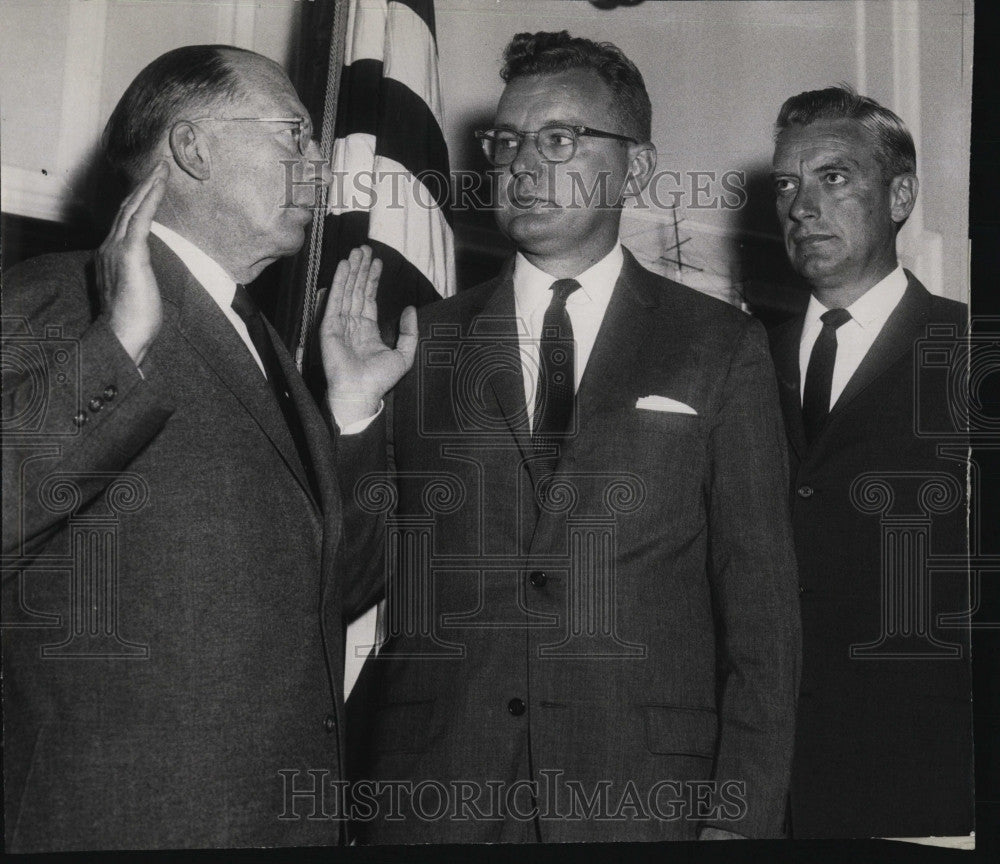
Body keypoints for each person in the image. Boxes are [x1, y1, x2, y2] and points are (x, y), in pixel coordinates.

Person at [338, 31, 800, 843]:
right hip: (438, 797)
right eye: (506, 140)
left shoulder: (718, 346)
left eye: (559, 138)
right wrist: (353, 414)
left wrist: (741, 817)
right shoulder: (421, 341)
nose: (521, 163)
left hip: (642, 803)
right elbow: (347, 584)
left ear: (640, 167)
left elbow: (763, 615)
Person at [1, 45, 414, 852]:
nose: (319, 170)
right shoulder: (56, 296)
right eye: (293, 136)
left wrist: (357, 417)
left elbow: (333, 596)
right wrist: (119, 346)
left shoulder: (268, 351)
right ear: (192, 148)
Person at [768, 85, 973, 838]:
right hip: (766, 791)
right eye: (786, 184)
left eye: (833, 176)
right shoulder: (737, 361)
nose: (801, 206)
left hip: (930, 787)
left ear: (900, 196)